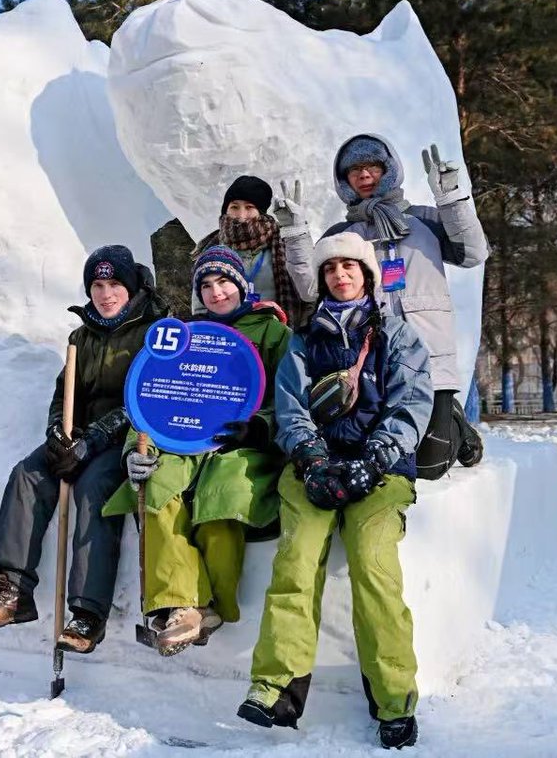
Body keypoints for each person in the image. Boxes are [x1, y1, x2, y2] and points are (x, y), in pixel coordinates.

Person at [237, 232, 433, 750]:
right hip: (315, 468)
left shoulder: (397, 334)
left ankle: (394, 700)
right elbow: (289, 406)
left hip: (381, 471)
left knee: (374, 568)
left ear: (366, 275)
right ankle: (276, 687)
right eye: (330, 269)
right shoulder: (305, 339)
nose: (340, 275)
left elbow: (411, 404)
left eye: (349, 267)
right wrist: (312, 458)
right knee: (296, 562)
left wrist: (376, 459)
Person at [0, 245, 170, 654]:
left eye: (114, 285)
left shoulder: (154, 333)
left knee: (95, 487)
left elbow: (147, 398)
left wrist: (94, 439)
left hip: (123, 438)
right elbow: (64, 393)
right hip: (79, 435)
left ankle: (88, 615)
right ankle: (12, 592)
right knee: (27, 474)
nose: (106, 294)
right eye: (97, 285)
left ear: (131, 288)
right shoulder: (82, 335)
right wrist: (58, 433)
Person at [102, 247, 291, 655]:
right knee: (158, 487)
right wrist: (136, 451)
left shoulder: (273, 333)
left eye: (223, 281)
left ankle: (213, 607)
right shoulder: (186, 337)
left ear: (240, 285)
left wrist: (260, 426)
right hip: (184, 442)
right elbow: (152, 400)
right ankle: (181, 606)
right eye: (205, 285)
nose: (216, 292)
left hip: (241, 444)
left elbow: (293, 398)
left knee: (222, 495)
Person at [311, 135, 487, 479]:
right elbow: (311, 287)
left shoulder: (426, 220)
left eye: (371, 167)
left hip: (430, 355)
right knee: (387, 451)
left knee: (430, 466)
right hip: (377, 360)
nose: (363, 175)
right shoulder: (343, 234)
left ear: (388, 169)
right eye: (354, 170)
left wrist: (451, 199)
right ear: (344, 181)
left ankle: (454, 420)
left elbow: (474, 253)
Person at [190, 175, 315, 326]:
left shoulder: (284, 241)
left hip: (277, 335)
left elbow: (309, 286)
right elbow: (201, 305)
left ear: (261, 212)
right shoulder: (213, 249)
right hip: (226, 338)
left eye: (249, 207)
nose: (241, 216)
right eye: (234, 207)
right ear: (226, 210)